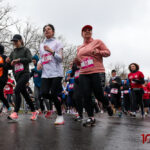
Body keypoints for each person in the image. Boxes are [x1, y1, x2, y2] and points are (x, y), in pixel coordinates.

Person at [76, 25, 113, 126]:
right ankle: (91, 117)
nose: (87, 32)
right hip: (83, 73)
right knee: (86, 95)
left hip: (97, 71)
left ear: (91, 33)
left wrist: (98, 52)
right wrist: (77, 62)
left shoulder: (97, 42)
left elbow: (108, 53)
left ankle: (107, 105)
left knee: (99, 94)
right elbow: (80, 62)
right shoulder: (79, 48)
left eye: (89, 30)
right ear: (82, 34)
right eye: (85, 31)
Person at [6, 34, 38, 121]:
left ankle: (15, 113)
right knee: (25, 95)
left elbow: (29, 59)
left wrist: (19, 60)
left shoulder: (25, 50)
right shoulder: (13, 52)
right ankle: (34, 111)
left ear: (20, 40)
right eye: (14, 41)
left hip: (25, 74)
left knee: (16, 90)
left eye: (16, 41)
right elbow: (10, 66)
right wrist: (8, 62)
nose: (15, 43)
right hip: (17, 76)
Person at [37, 24, 64, 125]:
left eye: (49, 29)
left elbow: (61, 59)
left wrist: (51, 51)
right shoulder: (41, 45)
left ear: (53, 31)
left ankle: (60, 116)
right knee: (43, 93)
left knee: (53, 93)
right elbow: (41, 57)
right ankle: (57, 99)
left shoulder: (58, 42)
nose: (46, 31)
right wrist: (39, 63)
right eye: (44, 30)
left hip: (56, 73)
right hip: (45, 73)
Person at [0, 44, 11, 113]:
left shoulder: (5, 57)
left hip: (2, 78)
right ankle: (8, 107)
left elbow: (9, 67)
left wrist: (2, 65)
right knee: (0, 94)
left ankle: (8, 107)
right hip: (3, 79)